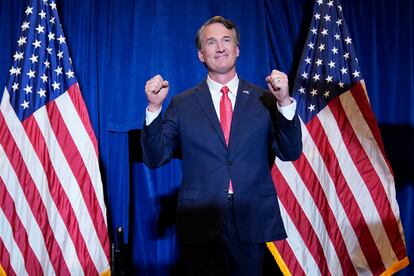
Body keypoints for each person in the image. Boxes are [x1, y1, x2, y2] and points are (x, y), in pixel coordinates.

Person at [141, 15, 302, 276]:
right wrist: (154, 108)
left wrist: (284, 103)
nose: (220, 47)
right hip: (200, 220)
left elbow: (290, 151)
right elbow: (155, 157)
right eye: (211, 42)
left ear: (237, 50)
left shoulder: (266, 99)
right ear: (201, 55)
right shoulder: (182, 104)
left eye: (227, 40)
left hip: (251, 216)